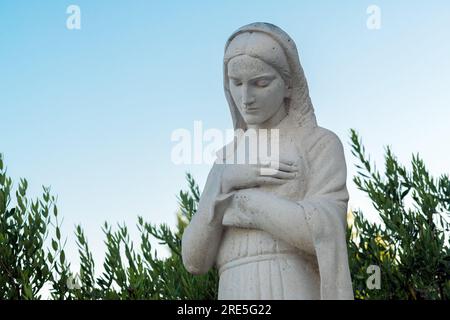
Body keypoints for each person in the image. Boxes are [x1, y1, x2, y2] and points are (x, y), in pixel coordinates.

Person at [182, 22, 353, 300]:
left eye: (260, 83)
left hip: (293, 284)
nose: (245, 98)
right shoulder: (225, 160)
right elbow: (194, 261)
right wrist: (222, 182)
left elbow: (324, 230)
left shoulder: (318, 143)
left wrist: (245, 204)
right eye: (236, 84)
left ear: (288, 85)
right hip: (234, 288)